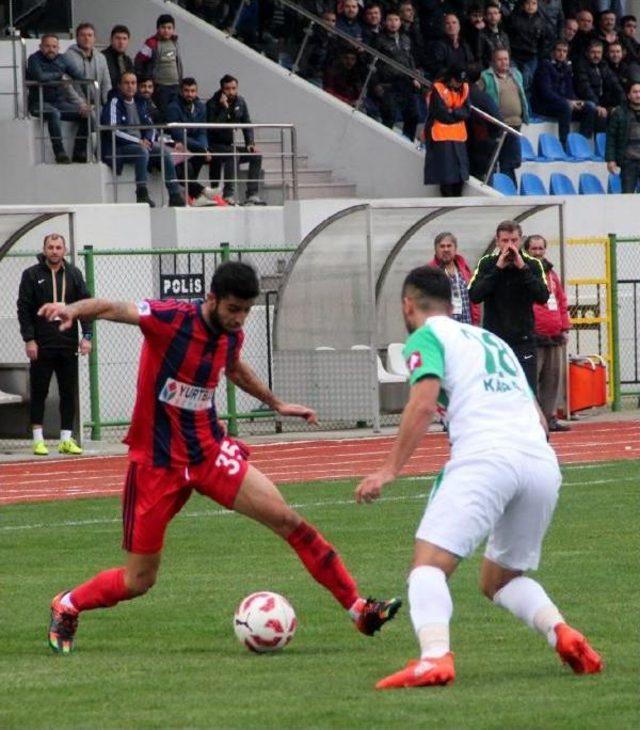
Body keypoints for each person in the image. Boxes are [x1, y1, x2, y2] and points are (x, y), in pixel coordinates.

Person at [40, 260, 401, 654]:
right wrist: (73, 310)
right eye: (233, 309)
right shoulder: (171, 318)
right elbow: (112, 307)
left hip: (209, 453)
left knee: (289, 520)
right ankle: (68, 604)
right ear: (212, 298)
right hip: (156, 464)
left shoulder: (232, 335)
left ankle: (358, 609)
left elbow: (233, 369)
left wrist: (275, 402)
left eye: (246, 310)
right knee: (138, 580)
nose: (240, 318)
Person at [354, 265, 602, 689]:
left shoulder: (426, 337)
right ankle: (562, 632)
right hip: (540, 463)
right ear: (452, 306)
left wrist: (389, 469)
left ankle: (434, 658)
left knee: (427, 569)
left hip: (487, 457)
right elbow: (540, 419)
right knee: (499, 580)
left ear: (407, 305)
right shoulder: (492, 341)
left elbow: (423, 400)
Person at [16, 233, 92, 457]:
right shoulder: (31, 275)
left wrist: (87, 336)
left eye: (58, 247)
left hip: (67, 344)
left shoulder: (74, 274)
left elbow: (85, 305)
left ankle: (66, 440)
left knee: (69, 392)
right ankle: (38, 440)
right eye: (51, 247)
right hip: (41, 344)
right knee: (39, 392)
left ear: (65, 250)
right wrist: (29, 339)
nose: (54, 251)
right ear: (44, 249)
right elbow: (24, 309)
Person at [468, 220, 549, 393]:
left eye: (513, 240)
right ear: (497, 242)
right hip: (495, 341)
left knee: (527, 390)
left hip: (523, 340)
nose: (510, 245)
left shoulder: (533, 264)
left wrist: (522, 268)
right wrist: (498, 269)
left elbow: (543, 296)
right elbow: (475, 296)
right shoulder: (487, 263)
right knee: (497, 392)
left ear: (520, 241)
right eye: (505, 241)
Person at [100, 72, 186, 207]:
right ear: (119, 85)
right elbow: (113, 131)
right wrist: (138, 142)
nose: (130, 86)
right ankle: (141, 192)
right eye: (126, 83)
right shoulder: (114, 102)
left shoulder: (141, 102)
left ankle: (174, 194)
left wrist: (148, 140)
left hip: (141, 143)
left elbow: (151, 127)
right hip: (119, 147)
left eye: (133, 83)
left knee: (164, 152)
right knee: (142, 151)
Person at [523, 235, 571, 431]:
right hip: (534, 335)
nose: (537, 252)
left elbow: (561, 300)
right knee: (532, 379)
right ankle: (533, 419)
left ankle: (549, 416)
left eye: (540, 248)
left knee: (552, 379)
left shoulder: (551, 273)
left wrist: (565, 327)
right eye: (533, 249)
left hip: (554, 334)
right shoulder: (524, 272)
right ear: (526, 251)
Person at [206, 74, 265, 206]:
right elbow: (213, 128)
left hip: (229, 144)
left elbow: (247, 124)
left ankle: (252, 194)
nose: (231, 92)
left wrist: (249, 143)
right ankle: (228, 195)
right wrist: (224, 108)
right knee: (233, 154)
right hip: (213, 145)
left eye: (234, 88)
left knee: (256, 155)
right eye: (227, 89)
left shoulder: (240, 102)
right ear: (222, 89)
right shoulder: (212, 103)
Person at [26, 33, 84, 164]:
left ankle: (79, 153)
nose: (51, 49)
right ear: (41, 46)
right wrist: (59, 75)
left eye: (54, 46)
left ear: (58, 48)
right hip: (38, 103)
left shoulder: (63, 59)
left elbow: (80, 76)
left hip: (59, 102)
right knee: (53, 113)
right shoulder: (34, 59)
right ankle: (60, 153)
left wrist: (86, 103)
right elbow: (40, 77)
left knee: (86, 115)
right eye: (47, 46)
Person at [531, 40, 598, 144]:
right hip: (545, 105)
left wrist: (576, 101)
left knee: (590, 106)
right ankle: (564, 143)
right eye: (559, 50)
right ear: (553, 51)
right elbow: (546, 92)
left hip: (562, 103)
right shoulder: (544, 66)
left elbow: (569, 90)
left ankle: (582, 142)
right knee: (565, 106)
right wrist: (567, 101)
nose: (562, 53)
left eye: (565, 51)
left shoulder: (566, 67)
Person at [478, 48, 529, 184]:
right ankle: (491, 187)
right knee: (492, 160)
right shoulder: (485, 76)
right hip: (495, 125)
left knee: (510, 162)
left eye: (506, 59)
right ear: (493, 61)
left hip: (515, 125)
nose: (504, 62)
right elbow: (477, 96)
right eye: (500, 59)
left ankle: (510, 189)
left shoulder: (516, 74)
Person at [63, 22, 112, 163]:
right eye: (83, 35)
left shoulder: (101, 58)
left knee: (108, 117)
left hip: (96, 103)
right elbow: (66, 84)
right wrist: (81, 104)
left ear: (94, 38)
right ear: (77, 38)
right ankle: (81, 153)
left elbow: (106, 83)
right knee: (90, 117)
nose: (86, 38)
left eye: (90, 35)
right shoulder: (68, 57)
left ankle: (104, 152)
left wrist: (106, 104)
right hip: (76, 103)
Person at [167, 77, 219, 207]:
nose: (189, 94)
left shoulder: (200, 107)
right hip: (177, 145)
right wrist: (201, 148)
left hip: (192, 145)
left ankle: (194, 195)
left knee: (210, 155)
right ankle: (201, 192)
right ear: (181, 91)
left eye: (192, 91)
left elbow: (202, 131)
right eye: (186, 91)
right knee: (188, 165)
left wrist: (204, 147)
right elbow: (178, 134)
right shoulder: (173, 107)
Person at [372, 10, 421, 141]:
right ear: (384, 22)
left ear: (400, 22)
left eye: (396, 20)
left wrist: (414, 77)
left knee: (414, 115)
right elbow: (372, 63)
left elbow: (409, 60)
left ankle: (408, 140)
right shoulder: (379, 39)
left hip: (406, 83)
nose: (393, 23)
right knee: (390, 115)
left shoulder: (406, 39)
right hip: (388, 84)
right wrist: (376, 83)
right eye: (390, 20)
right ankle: (384, 142)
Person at [424, 66, 470, 197]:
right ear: (450, 78)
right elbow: (440, 112)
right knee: (445, 175)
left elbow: (466, 112)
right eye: (456, 81)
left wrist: (453, 111)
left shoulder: (465, 89)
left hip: (458, 136)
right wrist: (456, 115)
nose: (459, 84)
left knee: (459, 174)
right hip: (441, 136)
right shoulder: (438, 88)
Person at [135, 13, 184, 115]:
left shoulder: (175, 42)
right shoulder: (151, 43)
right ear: (157, 28)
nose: (166, 30)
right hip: (160, 87)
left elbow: (177, 63)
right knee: (163, 114)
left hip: (175, 86)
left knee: (175, 113)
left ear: (173, 29)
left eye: (169, 27)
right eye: (163, 27)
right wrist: (144, 79)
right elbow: (138, 60)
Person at [428, 232, 480, 325]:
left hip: (466, 327)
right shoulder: (430, 272)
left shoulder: (464, 269)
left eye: (449, 246)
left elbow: (473, 298)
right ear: (436, 250)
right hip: (444, 329)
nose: (446, 249)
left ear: (455, 249)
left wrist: (475, 322)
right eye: (442, 246)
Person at [574, 40, 625, 126]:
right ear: (587, 53)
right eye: (593, 52)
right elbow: (585, 88)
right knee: (600, 113)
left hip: (601, 101)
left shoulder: (603, 65)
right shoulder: (581, 66)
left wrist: (624, 103)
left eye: (598, 52)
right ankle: (587, 137)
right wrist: (598, 105)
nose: (596, 55)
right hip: (586, 101)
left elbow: (615, 84)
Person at [605, 81, 640, 193]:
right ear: (628, 95)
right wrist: (611, 159)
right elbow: (611, 138)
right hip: (628, 162)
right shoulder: (619, 113)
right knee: (627, 196)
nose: (638, 95)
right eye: (635, 92)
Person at [506, 0, 547, 96]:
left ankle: (525, 108)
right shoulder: (515, 17)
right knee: (514, 80)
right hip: (515, 54)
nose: (530, 6)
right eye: (528, 3)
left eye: (534, 3)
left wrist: (539, 55)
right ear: (523, 4)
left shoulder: (541, 20)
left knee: (527, 82)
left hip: (531, 56)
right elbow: (509, 34)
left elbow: (543, 40)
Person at [102, 24, 135, 89]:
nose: (121, 42)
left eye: (124, 39)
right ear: (111, 40)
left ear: (128, 41)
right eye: (118, 38)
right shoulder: (102, 58)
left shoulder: (127, 60)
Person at [479, 3, 511, 67]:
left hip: (505, 66)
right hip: (489, 67)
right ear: (485, 16)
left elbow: (508, 53)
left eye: (495, 13)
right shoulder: (481, 35)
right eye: (490, 14)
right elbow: (479, 57)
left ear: (500, 16)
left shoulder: (504, 34)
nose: (493, 16)